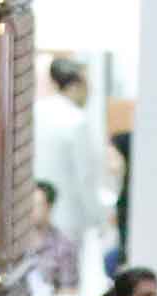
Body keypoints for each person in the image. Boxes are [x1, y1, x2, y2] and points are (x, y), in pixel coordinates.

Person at [38, 58, 117, 264]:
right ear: (75, 86)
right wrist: (99, 218)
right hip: (69, 216)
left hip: (36, 212)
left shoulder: (37, 111)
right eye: (88, 87)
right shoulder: (77, 121)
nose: (89, 93)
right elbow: (85, 177)